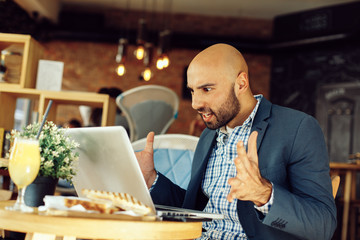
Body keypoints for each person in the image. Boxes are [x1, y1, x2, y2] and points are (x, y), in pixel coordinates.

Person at [136, 43, 336, 240]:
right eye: (192, 91)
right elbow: (195, 211)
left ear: (241, 83)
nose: (196, 103)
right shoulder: (209, 135)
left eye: (206, 89)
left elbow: (323, 225)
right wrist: (152, 180)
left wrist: (265, 195)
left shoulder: (298, 128)